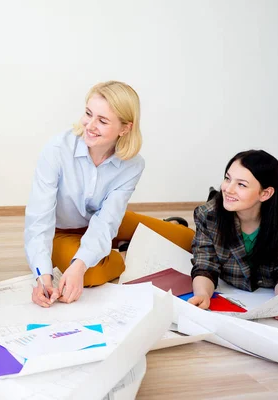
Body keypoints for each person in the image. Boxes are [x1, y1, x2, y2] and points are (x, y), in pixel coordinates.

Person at [25, 81, 195, 308]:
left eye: (102, 121)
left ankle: (131, 243)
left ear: (125, 128)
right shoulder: (57, 150)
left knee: (189, 242)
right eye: (88, 114)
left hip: (104, 223)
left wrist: (87, 254)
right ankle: (128, 253)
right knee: (91, 274)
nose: (90, 125)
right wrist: (43, 277)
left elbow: (106, 221)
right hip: (62, 231)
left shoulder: (132, 164)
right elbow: (39, 219)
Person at [189, 150, 278, 320]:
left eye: (241, 185)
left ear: (265, 193)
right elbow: (205, 266)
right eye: (227, 178)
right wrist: (203, 294)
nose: (228, 189)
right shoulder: (207, 215)